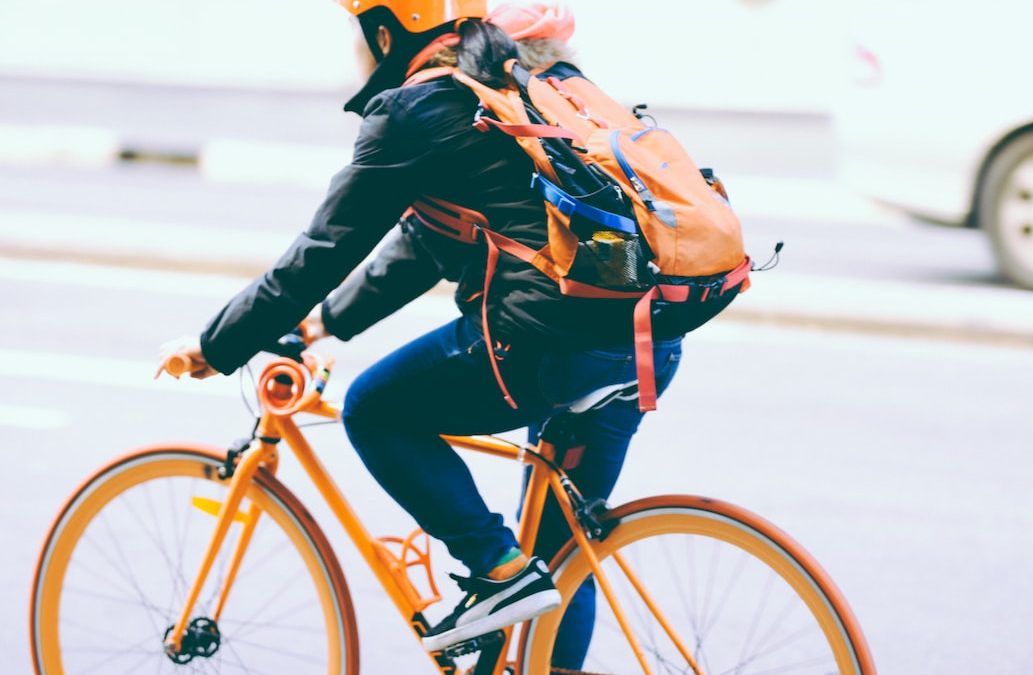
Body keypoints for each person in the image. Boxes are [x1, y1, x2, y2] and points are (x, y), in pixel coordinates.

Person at [157, 0, 684, 664]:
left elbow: (322, 249)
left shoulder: (415, 110)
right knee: (561, 557)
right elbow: (428, 243)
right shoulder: (511, 84)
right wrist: (322, 322)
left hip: (549, 347)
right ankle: (515, 585)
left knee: (375, 408)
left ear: (385, 32)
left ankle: (493, 566)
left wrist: (215, 345)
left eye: (356, 33)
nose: (353, 51)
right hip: (644, 342)